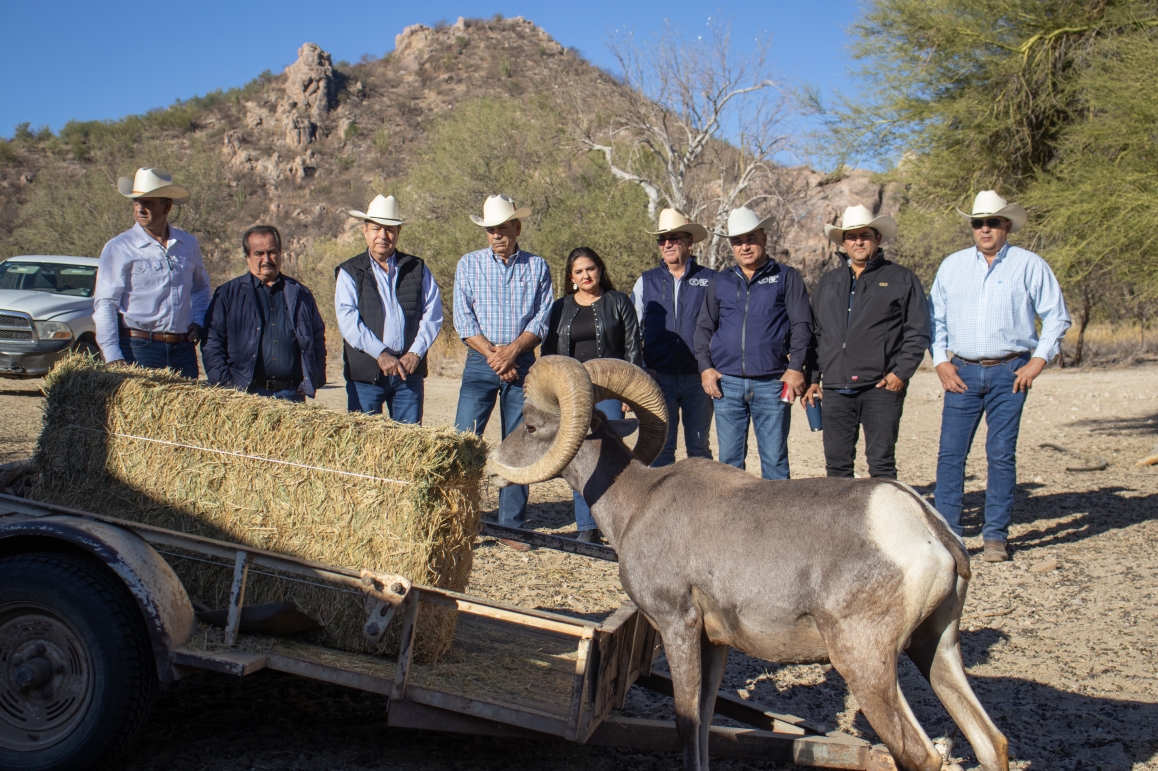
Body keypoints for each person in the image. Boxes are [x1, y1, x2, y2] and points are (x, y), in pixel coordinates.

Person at [930, 190, 1071, 563]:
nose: (985, 229)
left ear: (1007, 225)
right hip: (961, 370)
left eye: (993, 222)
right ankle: (950, 536)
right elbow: (936, 319)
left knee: (1001, 454)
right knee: (950, 455)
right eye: (979, 223)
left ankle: (995, 536)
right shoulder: (952, 266)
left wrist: (1038, 360)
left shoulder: (1029, 265)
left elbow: (1056, 315)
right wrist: (941, 362)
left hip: (1011, 371)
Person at [453, 194, 553, 549]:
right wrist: (496, 356)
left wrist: (511, 353)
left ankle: (511, 526)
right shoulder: (468, 264)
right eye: (491, 229)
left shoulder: (537, 267)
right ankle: (455, 520)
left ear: (517, 227)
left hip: (522, 362)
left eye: (503, 228)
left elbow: (542, 319)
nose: (497, 234)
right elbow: (463, 319)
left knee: (519, 445)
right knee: (463, 441)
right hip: (481, 361)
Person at [804, 205, 930, 479]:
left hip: (881, 388)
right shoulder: (828, 282)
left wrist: (901, 373)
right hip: (836, 389)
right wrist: (813, 379)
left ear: (878, 239)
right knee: (837, 468)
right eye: (851, 236)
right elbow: (816, 336)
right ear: (843, 242)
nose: (858, 241)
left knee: (881, 465)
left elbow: (918, 330)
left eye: (865, 235)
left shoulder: (901, 279)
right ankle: (841, 523)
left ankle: (882, 522)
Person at [695, 206, 812, 480]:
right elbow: (704, 327)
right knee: (730, 465)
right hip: (728, 384)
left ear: (764, 239)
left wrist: (796, 367)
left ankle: (776, 522)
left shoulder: (786, 276)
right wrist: (705, 367)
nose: (744, 246)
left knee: (774, 461)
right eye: (737, 241)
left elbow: (802, 325)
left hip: (772, 383)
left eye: (750, 239)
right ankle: (733, 523)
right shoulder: (720, 280)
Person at [542, 247, 640, 543]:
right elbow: (548, 350)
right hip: (572, 392)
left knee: (611, 455)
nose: (586, 275)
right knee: (579, 453)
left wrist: (630, 394)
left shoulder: (618, 301)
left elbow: (633, 347)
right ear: (571, 277)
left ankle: (615, 524)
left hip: (610, 389)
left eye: (590, 269)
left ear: (600, 269)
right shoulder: (561, 307)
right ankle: (586, 526)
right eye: (578, 271)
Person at [93, 168, 210, 377]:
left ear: (166, 206)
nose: (140, 209)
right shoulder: (119, 247)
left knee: (183, 410)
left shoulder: (188, 244)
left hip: (183, 349)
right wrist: (112, 355)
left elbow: (200, 287)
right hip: (138, 349)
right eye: (136, 202)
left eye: (148, 203)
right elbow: (105, 303)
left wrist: (198, 320)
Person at [335, 195, 442, 422]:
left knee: (408, 444)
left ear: (399, 232)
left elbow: (432, 313)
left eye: (390, 229)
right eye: (376, 229)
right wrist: (380, 353)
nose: (383, 236)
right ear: (365, 231)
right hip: (366, 375)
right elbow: (348, 321)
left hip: (408, 374)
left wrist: (415, 353)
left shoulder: (417, 267)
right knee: (363, 443)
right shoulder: (349, 271)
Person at [630, 209, 716, 467]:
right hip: (659, 378)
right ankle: (661, 507)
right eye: (662, 239)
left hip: (699, 379)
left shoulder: (710, 279)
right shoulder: (646, 281)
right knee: (661, 448)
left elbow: (722, 327)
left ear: (689, 242)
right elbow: (633, 332)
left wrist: (712, 368)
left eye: (674, 238)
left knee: (699, 449)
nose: (667, 244)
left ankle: (703, 507)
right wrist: (641, 370)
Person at [201, 225, 327, 401]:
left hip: (291, 396)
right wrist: (225, 385)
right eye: (258, 253)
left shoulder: (300, 293)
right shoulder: (228, 294)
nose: (266, 259)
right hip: (245, 396)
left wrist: (314, 377)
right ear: (247, 257)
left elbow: (317, 337)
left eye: (272, 252)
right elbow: (212, 342)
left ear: (280, 253)